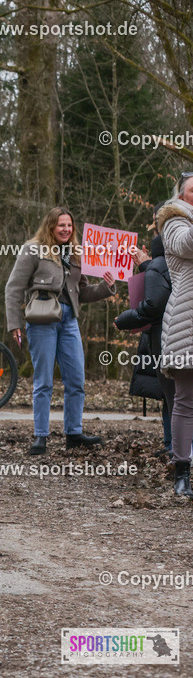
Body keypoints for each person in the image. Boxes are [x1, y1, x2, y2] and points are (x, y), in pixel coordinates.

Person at [5, 206, 116, 455]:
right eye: (61, 225)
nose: (66, 229)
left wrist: (106, 287)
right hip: (42, 320)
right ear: (51, 226)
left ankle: (74, 433)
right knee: (43, 381)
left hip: (69, 322)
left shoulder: (76, 253)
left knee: (76, 380)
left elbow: (82, 292)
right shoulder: (33, 249)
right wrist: (15, 324)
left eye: (69, 225)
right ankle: (40, 436)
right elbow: (13, 288)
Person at [114, 231, 169, 457]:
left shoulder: (159, 265)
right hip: (165, 337)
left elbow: (154, 304)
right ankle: (173, 445)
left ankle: (177, 449)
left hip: (166, 338)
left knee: (175, 396)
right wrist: (147, 266)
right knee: (172, 395)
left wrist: (124, 319)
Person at [156, 177, 193, 498]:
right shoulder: (174, 222)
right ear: (182, 195)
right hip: (186, 323)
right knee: (185, 400)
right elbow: (186, 246)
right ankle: (182, 473)